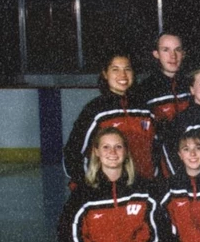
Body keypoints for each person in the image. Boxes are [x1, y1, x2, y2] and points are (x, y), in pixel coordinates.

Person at [63, 52, 160, 182]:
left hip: (142, 190)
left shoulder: (146, 110)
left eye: (127, 69)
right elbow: (72, 153)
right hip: (107, 192)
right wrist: (89, 184)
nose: (123, 75)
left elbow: (157, 150)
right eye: (115, 69)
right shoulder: (95, 110)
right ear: (105, 74)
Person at [134, 33, 191, 124]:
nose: (173, 56)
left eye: (177, 50)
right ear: (156, 54)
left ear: (183, 54)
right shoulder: (145, 88)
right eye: (166, 50)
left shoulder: (193, 84)